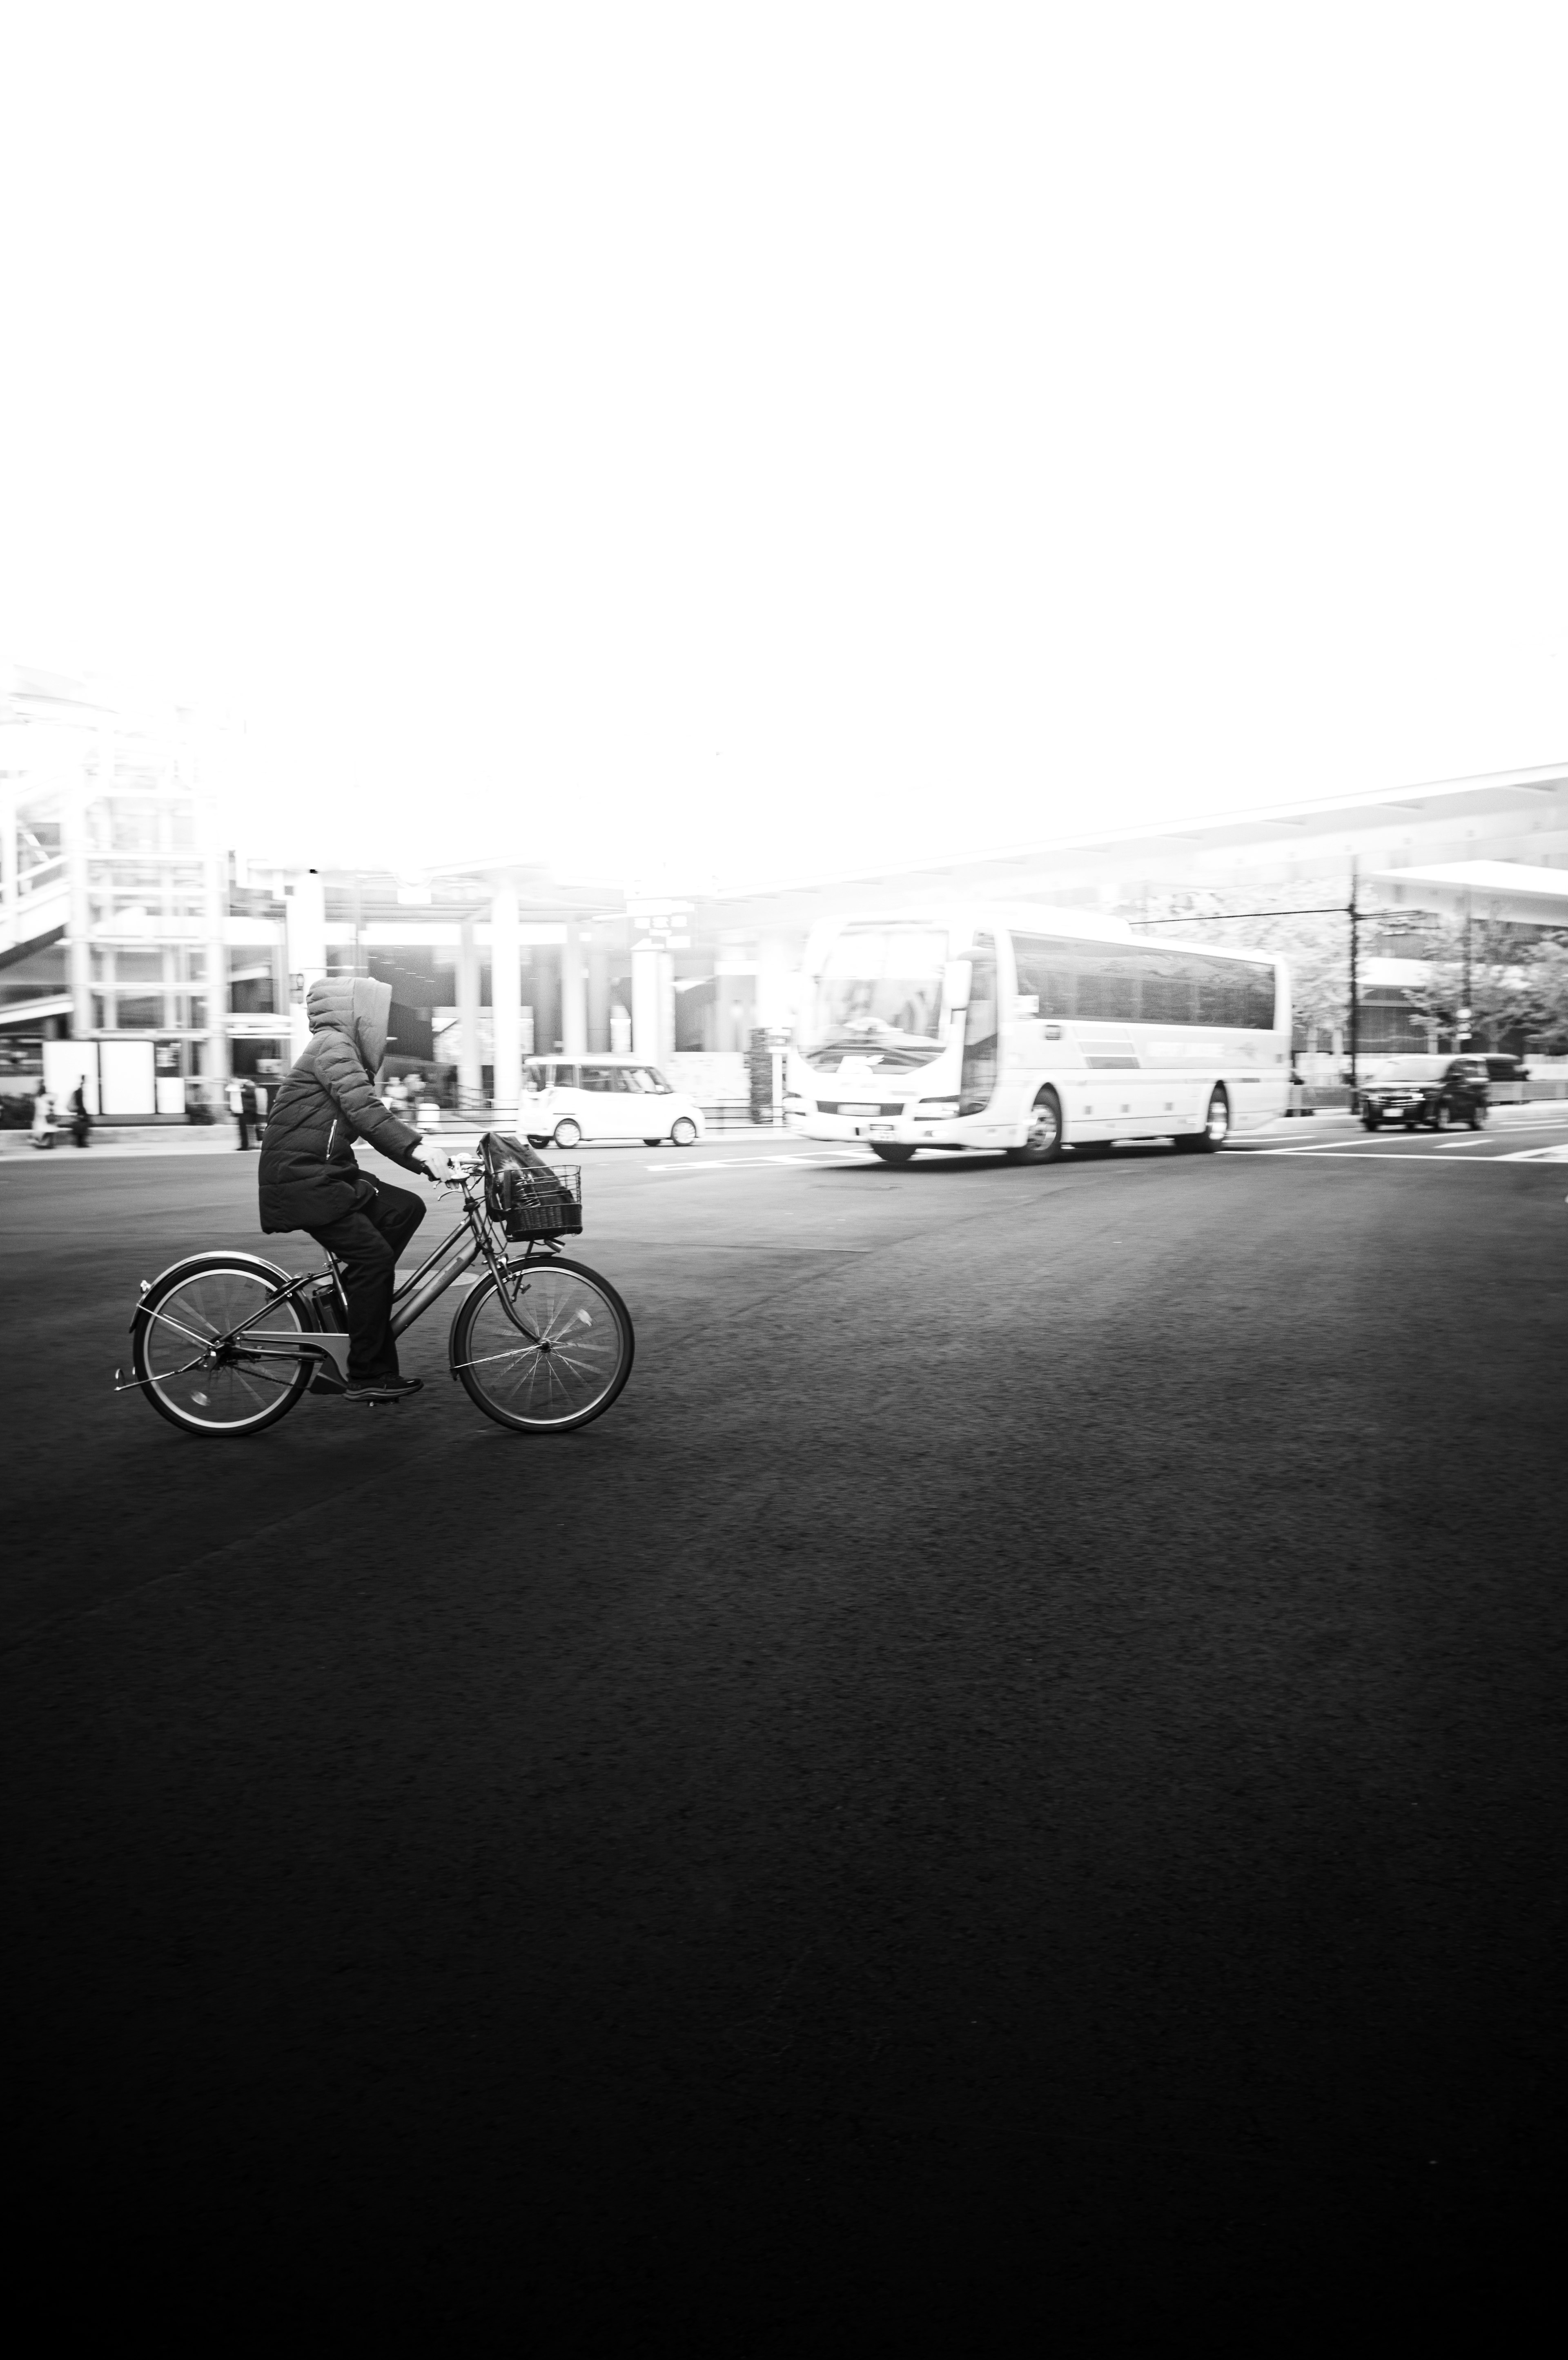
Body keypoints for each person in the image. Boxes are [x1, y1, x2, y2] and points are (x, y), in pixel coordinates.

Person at [257, 976, 450, 1402]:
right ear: (358, 1013)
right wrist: (417, 1150)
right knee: (375, 1259)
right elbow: (365, 1111)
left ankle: (348, 1299)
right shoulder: (333, 1046)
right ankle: (365, 1374)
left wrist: (427, 1161)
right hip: (305, 1180)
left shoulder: (336, 1047)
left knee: (406, 1209)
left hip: (325, 1174)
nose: (382, 1025)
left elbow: (366, 1116)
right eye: (377, 1014)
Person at [68, 1076, 92, 1148]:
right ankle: (81, 1143)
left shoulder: (80, 1090)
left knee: (82, 1127)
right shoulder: (80, 1091)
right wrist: (82, 1113)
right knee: (82, 1127)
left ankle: (81, 1143)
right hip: (81, 1111)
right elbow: (80, 1103)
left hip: (81, 1111)